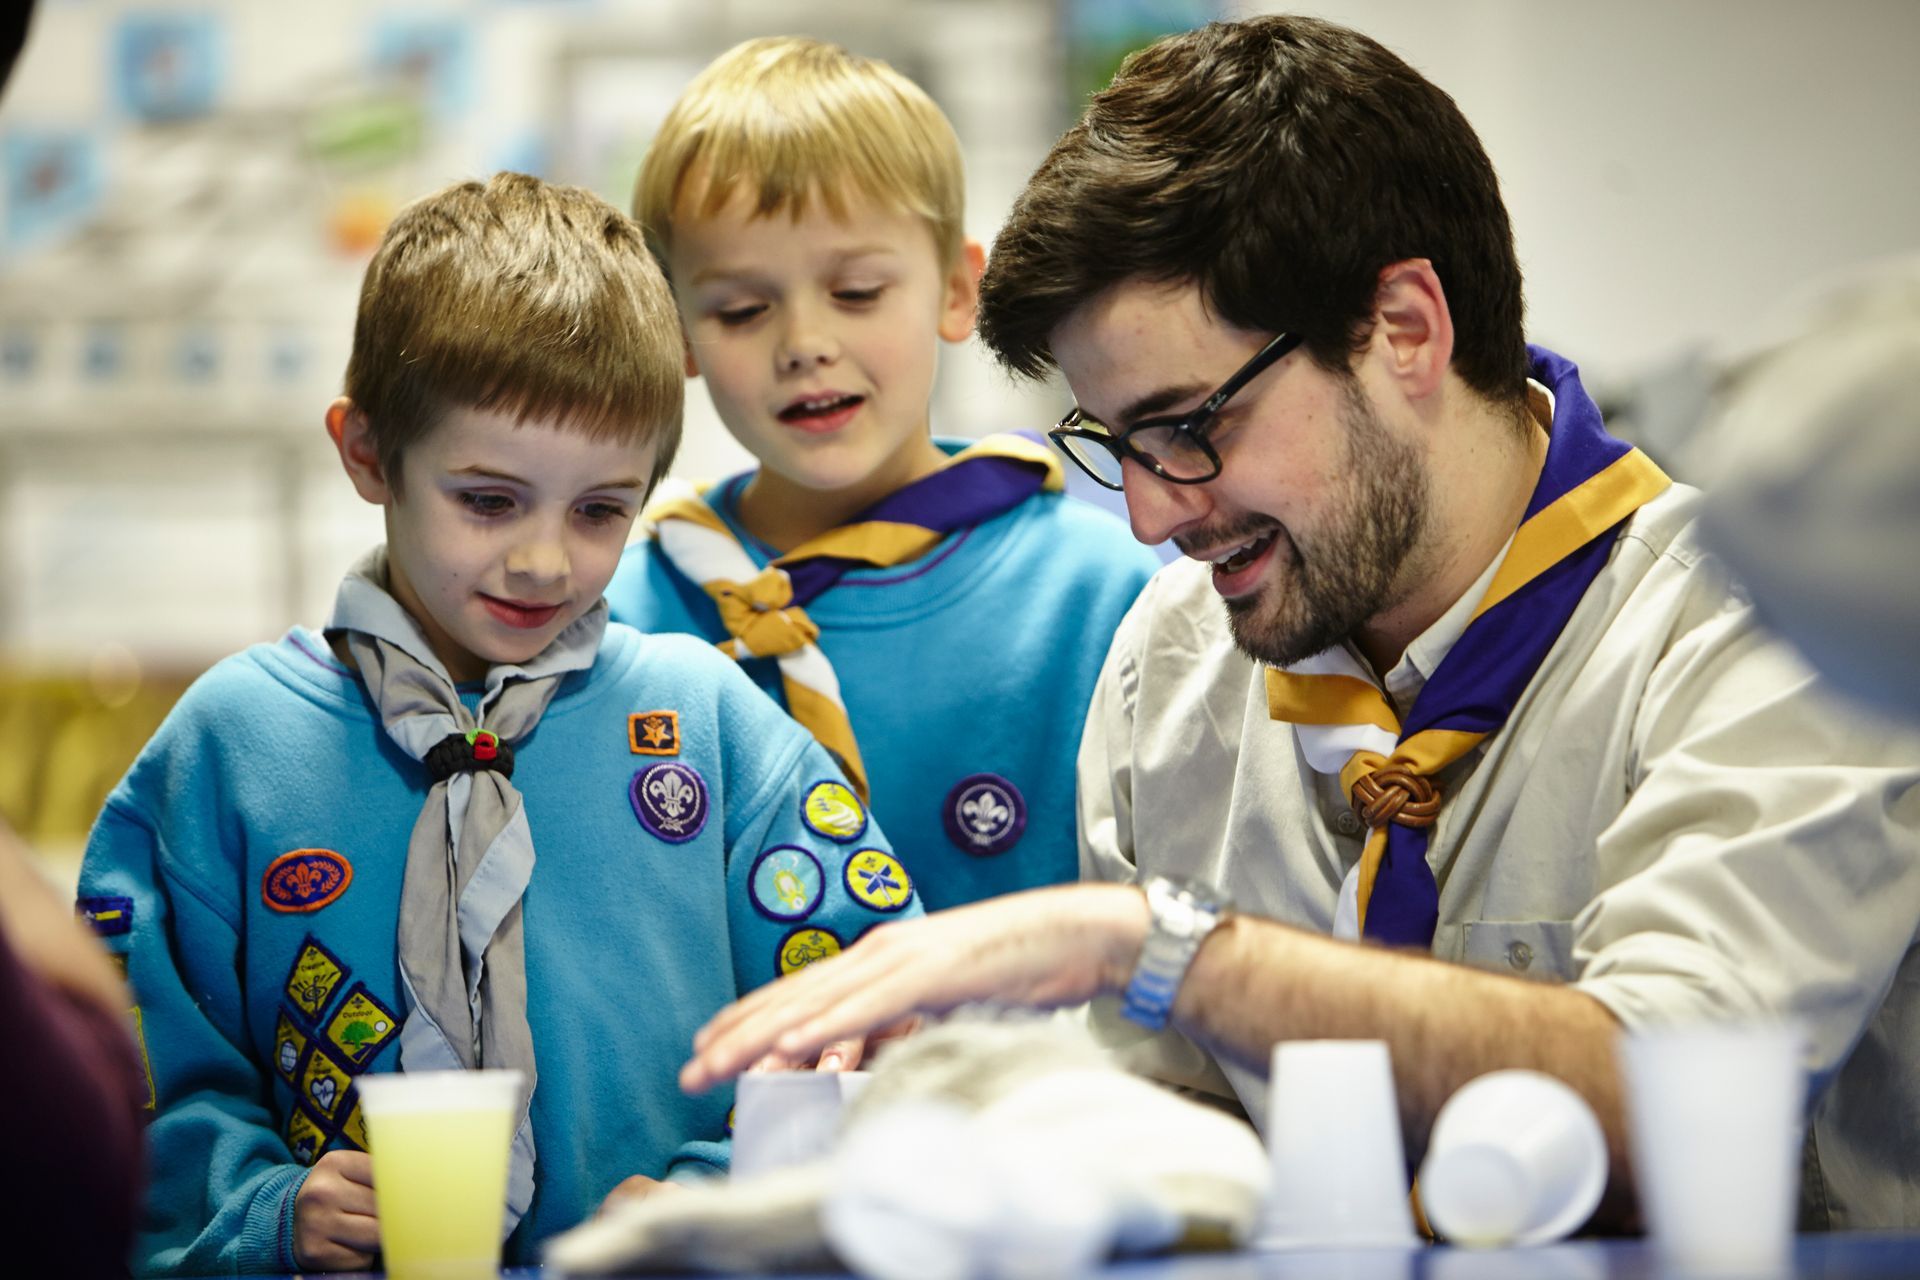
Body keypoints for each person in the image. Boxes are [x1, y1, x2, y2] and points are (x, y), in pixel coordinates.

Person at [677, 15, 1920, 1234]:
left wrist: (1155, 948)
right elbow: (1170, 1149)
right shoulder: (1171, 660)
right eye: (1118, 447)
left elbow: (1671, 1105)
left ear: (1405, 330)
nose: (1155, 517)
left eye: (1187, 425)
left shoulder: (1791, 637)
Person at [78, 172, 921, 1276]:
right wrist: (268, 1212)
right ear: (370, 453)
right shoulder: (229, 749)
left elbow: (883, 1013)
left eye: (600, 510)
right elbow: (118, 1062)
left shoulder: (712, 723)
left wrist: (725, 1194)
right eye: (487, 499)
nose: (542, 559)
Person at [604, 37, 1161, 916]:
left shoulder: (1109, 595)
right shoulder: (628, 616)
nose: (804, 344)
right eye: (741, 310)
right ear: (678, 336)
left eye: (857, 291)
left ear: (953, 292)